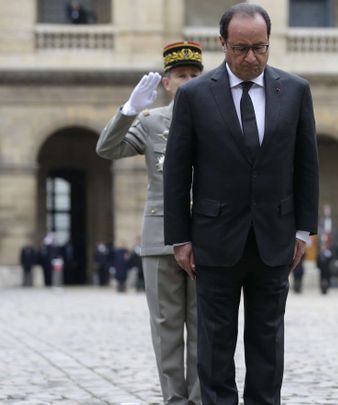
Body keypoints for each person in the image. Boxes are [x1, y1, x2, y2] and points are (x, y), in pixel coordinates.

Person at [163, 4, 319, 404]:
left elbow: (306, 166)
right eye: (240, 48)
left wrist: (303, 229)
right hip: (214, 239)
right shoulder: (196, 95)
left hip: (275, 237)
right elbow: (178, 172)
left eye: (260, 48)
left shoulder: (296, 90)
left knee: (267, 339)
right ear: (222, 44)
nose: (251, 58)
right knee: (214, 342)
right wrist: (179, 238)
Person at [96, 41, 203, 403]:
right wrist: (128, 110)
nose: (187, 82)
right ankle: (174, 399)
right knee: (166, 327)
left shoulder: (218, 118)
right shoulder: (152, 121)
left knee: (205, 328)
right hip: (160, 237)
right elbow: (107, 149)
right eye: (180, 76)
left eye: (194, 76)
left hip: (208, 234)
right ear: (167, 83)